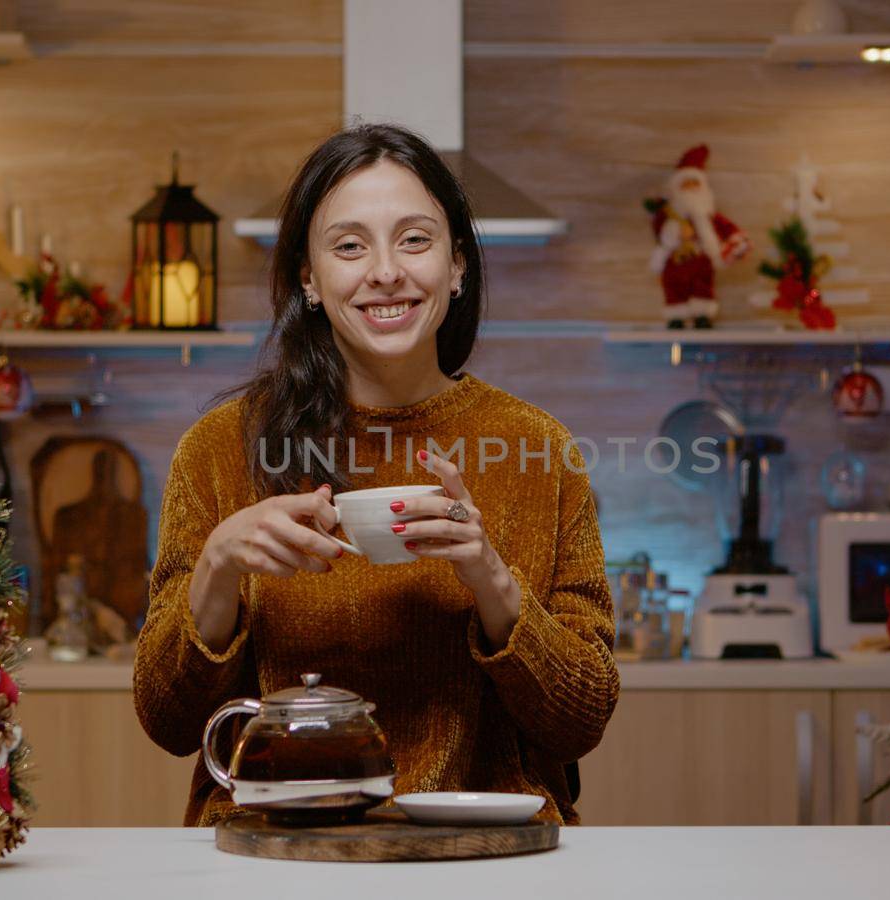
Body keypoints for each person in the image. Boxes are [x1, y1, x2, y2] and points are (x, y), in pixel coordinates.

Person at [132, 124, 619, 826]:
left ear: (457, 267)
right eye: (350, 245)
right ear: (309, 278)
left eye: (415, 240)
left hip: (486, 861)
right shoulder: (220, 450)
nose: (385, 271)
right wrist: (217, 565)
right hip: (276, 860)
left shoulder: (537, 447)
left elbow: (584, 721)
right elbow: (167, 723)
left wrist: (490, 577)